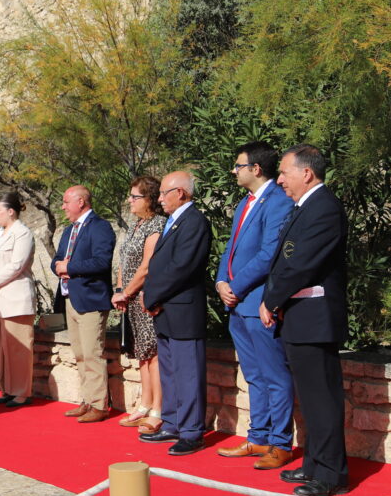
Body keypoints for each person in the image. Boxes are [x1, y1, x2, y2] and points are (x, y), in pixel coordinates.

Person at [262, 144, 350, 496]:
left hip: (315, 318)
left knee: (322, 399)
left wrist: (270, 299)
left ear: (307, 173)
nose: (280, 179)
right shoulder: (306, 207)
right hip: (300, 317)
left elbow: (302, 264)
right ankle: (314, 463)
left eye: (284, 172)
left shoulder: (324, 208)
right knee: (311, 399)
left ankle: (331, 475)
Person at [215, 142, 297, 470]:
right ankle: (258, 437)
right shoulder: (243, 203)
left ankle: (280, 443)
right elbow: (230, 249)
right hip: (237, 304)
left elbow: (269, 254)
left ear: (255, 169)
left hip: (257, 301)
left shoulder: (277, 202)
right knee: (253, 375)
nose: (234, 171)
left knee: (274, 375)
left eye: (238, 165)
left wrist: (235, 286)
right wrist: (221, 282)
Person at [141, 171, 213, 456]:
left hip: (182, 308)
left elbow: (182, 267)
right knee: (170, 371)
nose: (159, 199)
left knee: (188, 373)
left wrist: (153, 295)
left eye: (163, 193)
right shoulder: (174, 221)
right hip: (166, 309)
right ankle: (172, 421)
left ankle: (192, 431)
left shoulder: (194, 221)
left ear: (180, 193)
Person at [51, 186, 116, 422]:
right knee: (79, 353)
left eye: (66, 201)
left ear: (81, 201)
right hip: (71, 298)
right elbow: (57, 259)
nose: (63, 206)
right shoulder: (69, 230)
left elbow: (102, 261)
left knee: (92, 353)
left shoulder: (100, 227)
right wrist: (59, 267)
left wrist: (70, 268)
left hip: (91, 298)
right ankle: (87, 400)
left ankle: (99, 404)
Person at [111, 176, 166, 434]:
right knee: (142, 355)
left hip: (146, 299)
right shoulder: (136, 225)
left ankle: (158, 408)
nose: (129, 201)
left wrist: (128, 292)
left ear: (150, 199)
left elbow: (146, 267)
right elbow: (124, 261)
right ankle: (144, 404)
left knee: (153, 355)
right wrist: (120, 290)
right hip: (131, 299)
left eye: (135, 197)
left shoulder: (157, 225)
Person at [0, 192, 37, 407]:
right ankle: (7, 389)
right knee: (2, 347)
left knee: (19, 347)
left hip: (15, 297)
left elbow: (17, 265)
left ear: (10, 211)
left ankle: (22, 391)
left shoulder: (23, 233)